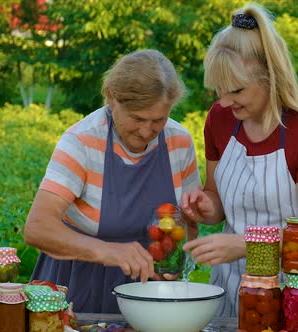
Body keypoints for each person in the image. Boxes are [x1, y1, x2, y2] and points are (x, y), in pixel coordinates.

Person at [180, 4, 298, 317]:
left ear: (270, 76)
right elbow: (217, 203)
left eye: (236, 90)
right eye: (219, 91)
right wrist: (204, 206)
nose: (225, 101)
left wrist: (246, 245)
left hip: (293, 292)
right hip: (230, 288)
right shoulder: (220, 119)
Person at [23, 49, 201, 313]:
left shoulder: (179, 141)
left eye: (158, 120)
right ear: (111, 99)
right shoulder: (82, 141)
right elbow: (38, 227)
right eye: (137, 118)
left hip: (149, 296)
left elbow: (186, 222)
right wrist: (108, 251)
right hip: (78, 288)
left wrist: (172, 259)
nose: (146, 131)